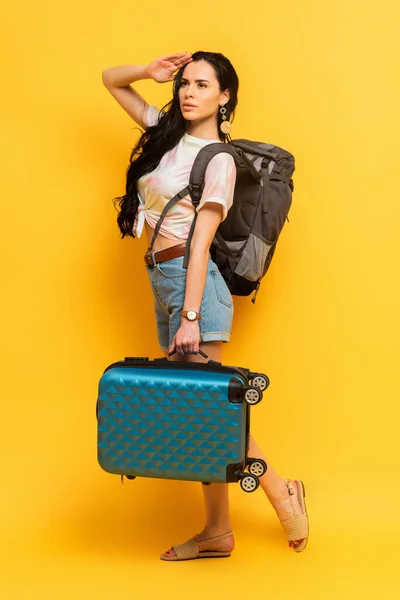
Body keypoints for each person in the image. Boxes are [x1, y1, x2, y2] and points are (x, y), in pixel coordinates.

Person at [102, 51, 309, 561]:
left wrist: (191, 314)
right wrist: (148, 72)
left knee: (210, 415)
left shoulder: (217, 160)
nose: (188, 92)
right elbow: (111, 81)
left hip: (196, 288)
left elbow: (200, 242)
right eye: (183, 84)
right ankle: (220, 528)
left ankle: (278, 492)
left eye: (202, 85)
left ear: (225, 97)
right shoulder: (166, 137)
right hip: (165, 283)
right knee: (205, 415)